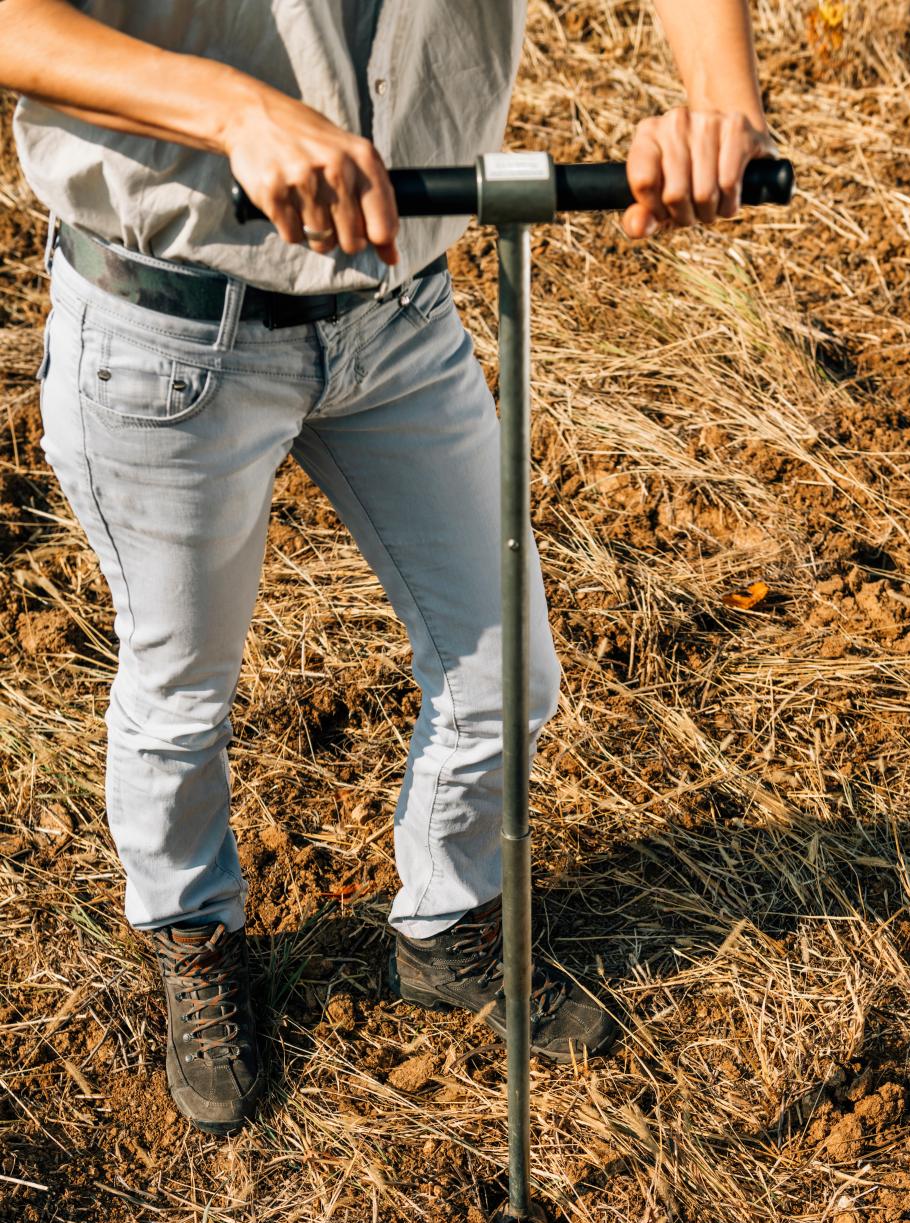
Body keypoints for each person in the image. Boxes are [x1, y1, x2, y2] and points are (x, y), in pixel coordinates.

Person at [1, 0, 776, 1135]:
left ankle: (450, 925)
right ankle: (193, 929)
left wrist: (719, 100)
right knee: (181, 692)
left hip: (402, 314)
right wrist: (237, 109)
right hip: (169, 328)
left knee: (506, 668)